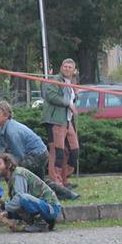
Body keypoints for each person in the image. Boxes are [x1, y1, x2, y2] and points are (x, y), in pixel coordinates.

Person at [0, 101, 78, 201]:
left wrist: (3, 161)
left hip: (37, 155)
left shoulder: (12, 132)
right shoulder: (3, 128)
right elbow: (1, 144)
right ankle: (70, 195)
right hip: (39, 153)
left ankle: (16, 196)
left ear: (6, 116)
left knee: (11, 169)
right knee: (40, 182)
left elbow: (19, 156)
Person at [0, 153, 61, 233]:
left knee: (22, 198)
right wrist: (8, 214)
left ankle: (40, 223)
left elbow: (20, 197)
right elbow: (16, 204)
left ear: (8, 165)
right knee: (16, 204)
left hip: (52, 208)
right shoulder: (12, 178)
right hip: (45, 207)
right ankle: (45, 221)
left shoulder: (18, 174)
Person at [42, 58, 80, 188]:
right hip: (55, 120)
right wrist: (68, 103)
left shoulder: (71, 83)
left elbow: (72, 100)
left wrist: (75, 97)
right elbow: (51, 96)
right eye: (65, 66)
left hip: (67, 120)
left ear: (74, 70)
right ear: (61, 68)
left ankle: (64, 178)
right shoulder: (55, 80)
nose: (67, 69)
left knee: (73, 150)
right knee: (57, 151)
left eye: (70, 67)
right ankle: (56, 181)